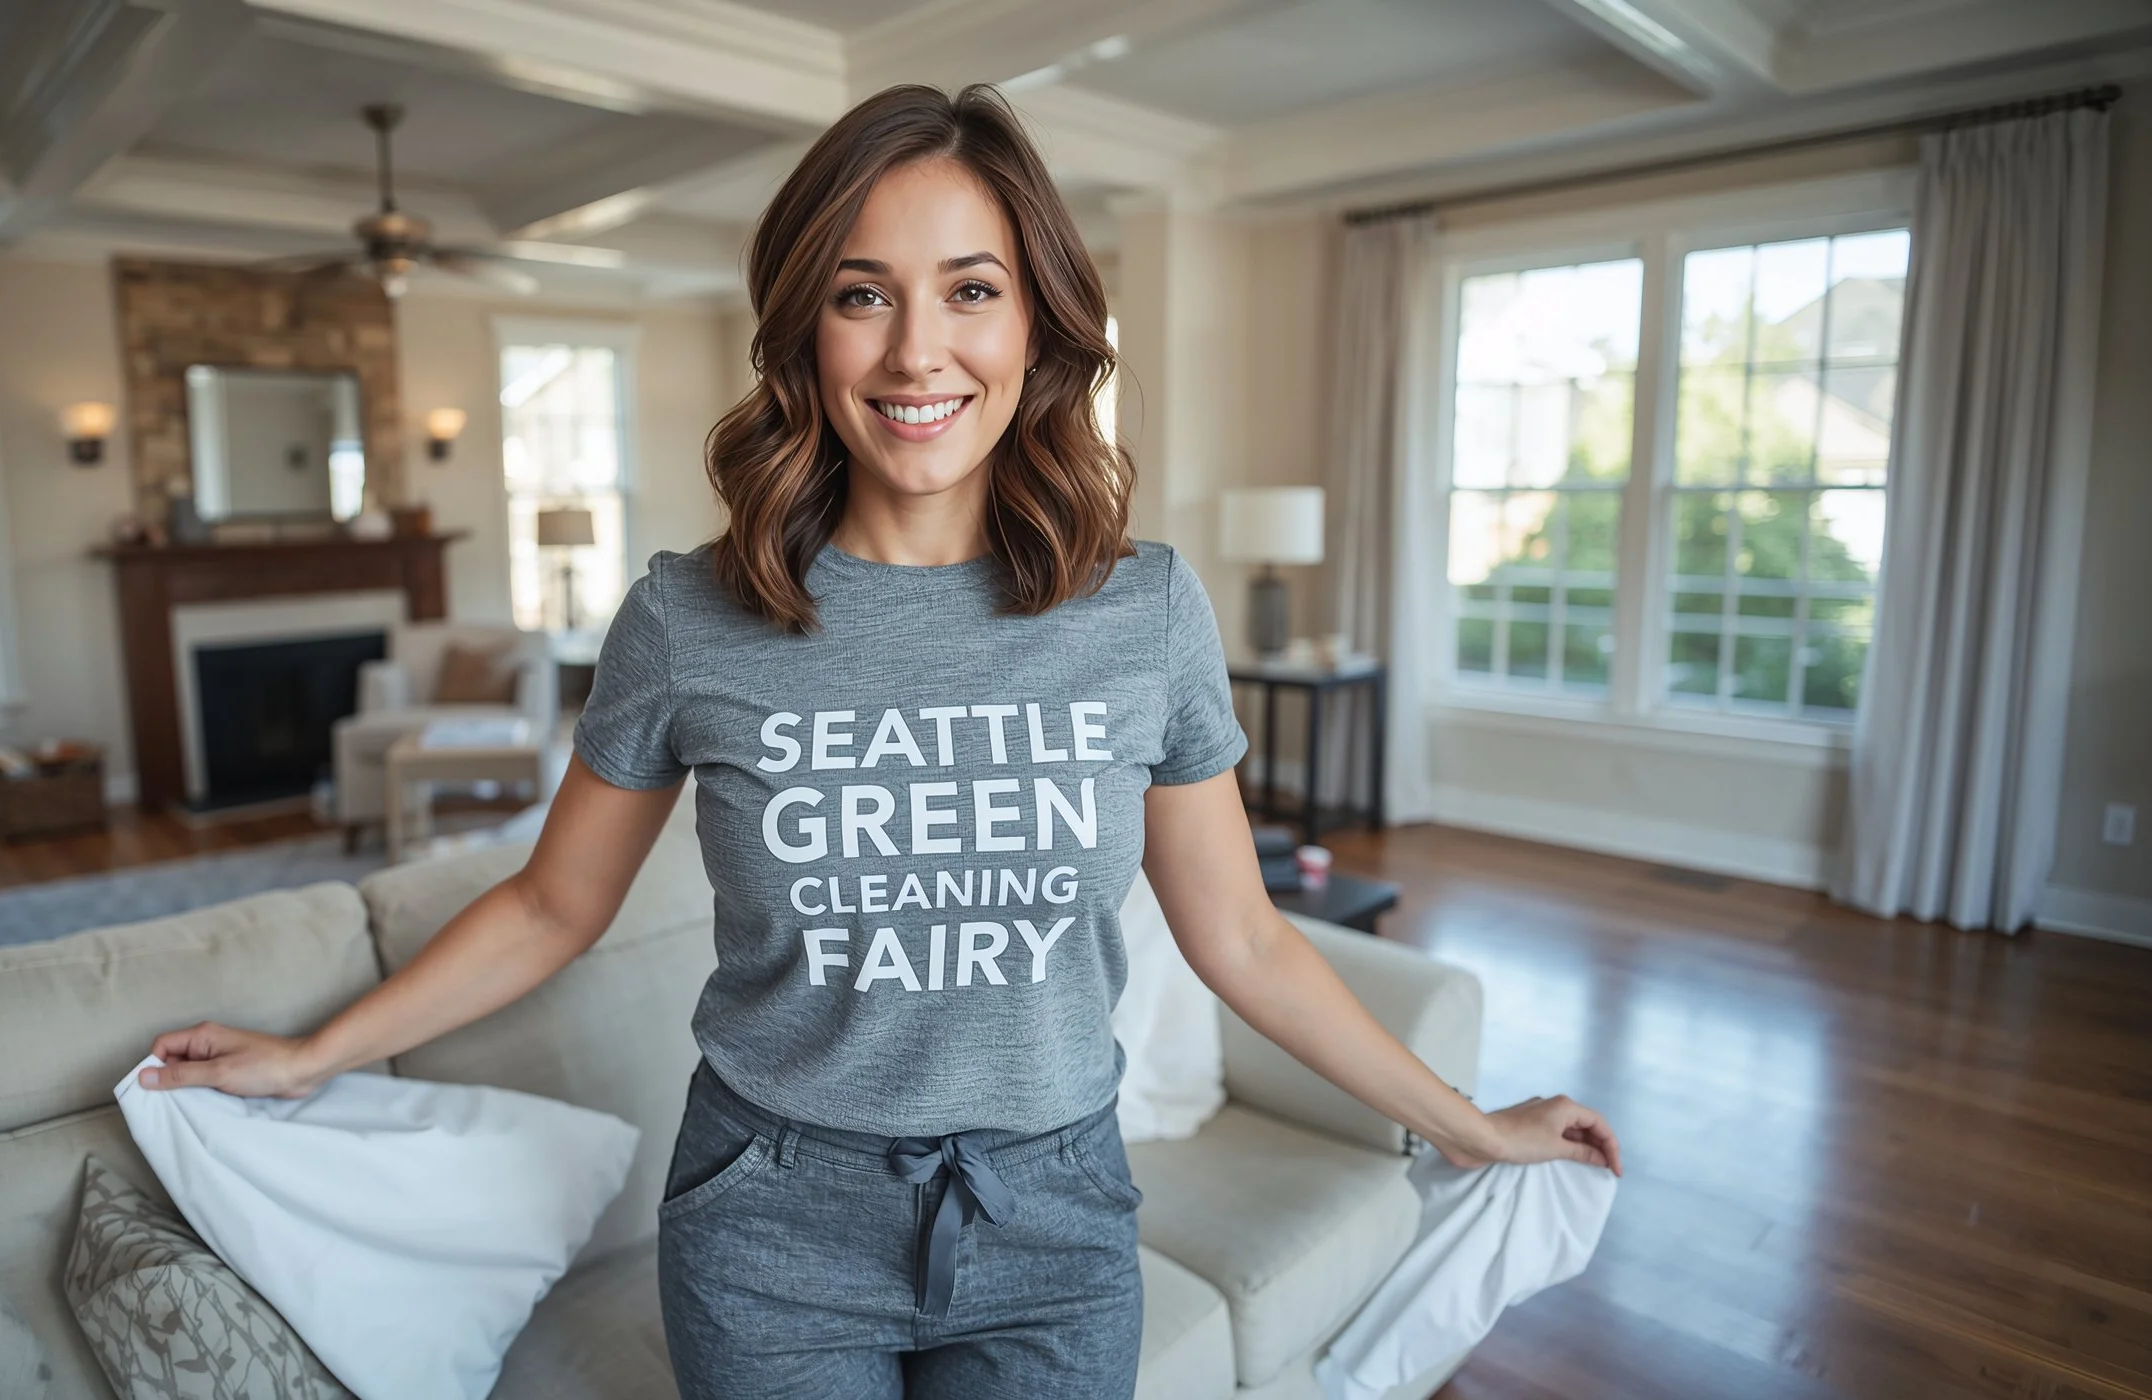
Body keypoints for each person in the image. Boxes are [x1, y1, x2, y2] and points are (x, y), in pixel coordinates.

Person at [137, 82, 1623, 1399]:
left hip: (1056, 1222)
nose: (919, 352)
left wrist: (1468, 1126)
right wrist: (314, 1053)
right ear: (804, 327)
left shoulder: (1144, 613)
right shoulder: (687, 620)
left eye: (971, 289)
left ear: (1036, 322)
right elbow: (550, 906)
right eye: (864, 295)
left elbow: (1243, 939)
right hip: (770, 1223)